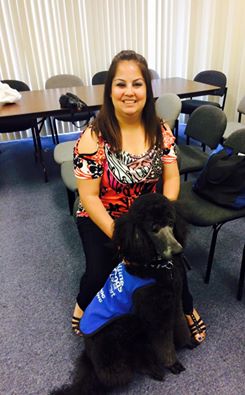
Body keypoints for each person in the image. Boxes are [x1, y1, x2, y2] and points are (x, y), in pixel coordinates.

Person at [72, 50, 206, 344]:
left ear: (147, 89)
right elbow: (89, 197)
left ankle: (186, 305)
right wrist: (121, 238)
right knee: (100, 271)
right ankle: (84, 302)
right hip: (102, 213)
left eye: (137, 84)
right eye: (121, 84)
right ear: (110, 91)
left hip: (147, 216)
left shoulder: (160, 130)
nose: (129, 92)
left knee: (172, 263)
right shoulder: (93, 136)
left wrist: (162, 221)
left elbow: (171, 178)